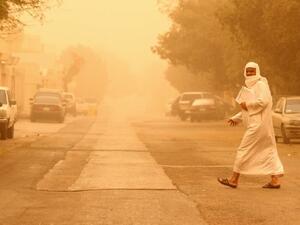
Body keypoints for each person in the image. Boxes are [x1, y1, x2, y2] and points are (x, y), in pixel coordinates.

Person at [218, 62, 284, 189]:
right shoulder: (253, 87)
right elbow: (249, 109)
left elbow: (262, 102)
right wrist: (237, 118)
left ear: (257, 71)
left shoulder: (260, 84)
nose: (249, 73)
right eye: (247, 71)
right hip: (260, 125)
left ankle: (234, 179)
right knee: (268, 150)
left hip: (257, 126)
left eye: (252, 71)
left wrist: (247, 105)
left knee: (243, 150)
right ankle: (275, 180)